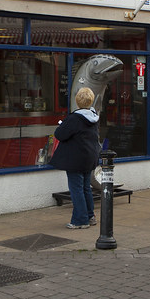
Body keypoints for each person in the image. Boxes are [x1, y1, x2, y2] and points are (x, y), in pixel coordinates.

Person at [52, 87, 102, 229]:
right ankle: (90, 216)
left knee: (77, 190)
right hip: (89, 158)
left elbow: (60, 134)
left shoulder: (74, 118)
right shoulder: (94, 116)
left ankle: (80, 220)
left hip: (75, 159)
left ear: (77, 101)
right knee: (86, 188)